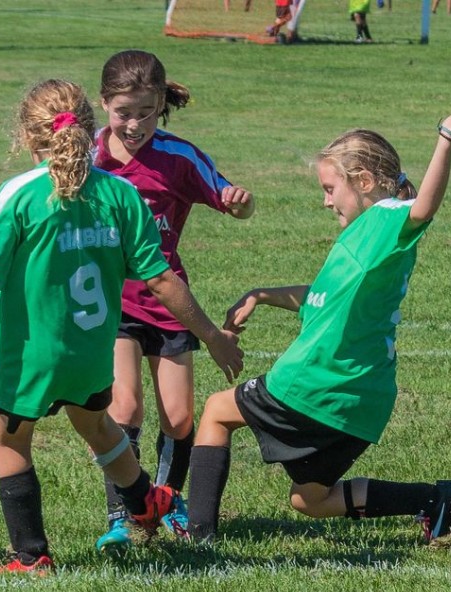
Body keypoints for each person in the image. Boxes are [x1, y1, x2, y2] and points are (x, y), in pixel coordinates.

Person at [0, 79, 244, 572]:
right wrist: (213, 336)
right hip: (92, 351)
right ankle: (143, 503)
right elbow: (161, 280)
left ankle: (30, 555)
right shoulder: (120, 194)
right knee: (97, 425)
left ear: (29, 137)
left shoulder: (21, 195)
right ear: (90, 131)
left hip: (31, 353)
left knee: (11, 440)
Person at [186, 101, 451, 544]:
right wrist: (263, 295)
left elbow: (423, 207)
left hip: (315, 384)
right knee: (310, 501)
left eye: (330, 188)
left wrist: (447, 136)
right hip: (361, 401)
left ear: (363, 181)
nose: (326, 200)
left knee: (216, 410)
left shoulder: (387, 219)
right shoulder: (364, 240)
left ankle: (198, 537)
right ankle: (435, 499)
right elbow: (322, 298)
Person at [92, 50, 255, 554]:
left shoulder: (179, 157)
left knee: (180, 419)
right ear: (104, 106)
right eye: (124, 112)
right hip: (110, 302)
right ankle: (123, 512)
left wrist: (240, 202)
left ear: (160, 102)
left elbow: (232, 199)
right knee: (124, 407)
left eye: (145, 111)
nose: (135, 123)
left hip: (168, 301)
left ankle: (167, 499)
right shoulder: (87, 157)